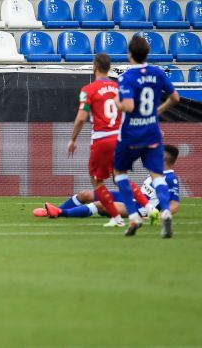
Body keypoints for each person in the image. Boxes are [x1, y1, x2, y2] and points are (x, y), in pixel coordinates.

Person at [112, 35, 180, 237]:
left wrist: (116, 100)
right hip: (152, 132)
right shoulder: (157, 73)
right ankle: (165, 212)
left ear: (129, 54)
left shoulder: (127, 77)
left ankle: (133, 217)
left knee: (119, 173)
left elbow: (128, 106)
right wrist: (157, 111)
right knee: (157, 176)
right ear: (147, 54)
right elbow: (175, 98)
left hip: (131, 134)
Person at [36, 145, 181, 221]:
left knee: (101, 205)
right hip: (129, 197)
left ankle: (61, 213)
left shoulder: (170, 179)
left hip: (138, 208)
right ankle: (52, 210)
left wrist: (162, 216)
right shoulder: (157, 171)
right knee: (84, 194)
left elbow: (175, 205)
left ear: (163, 159)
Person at [65, 53, 124, 227]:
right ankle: (143, 208)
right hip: (121, 139)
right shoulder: (118, 87)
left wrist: (72, 139)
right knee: (120, 177)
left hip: (103, 139)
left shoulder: (88, 89)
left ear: (94, 67)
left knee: (97, 179)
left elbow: (81, 117)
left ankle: (116, 216)